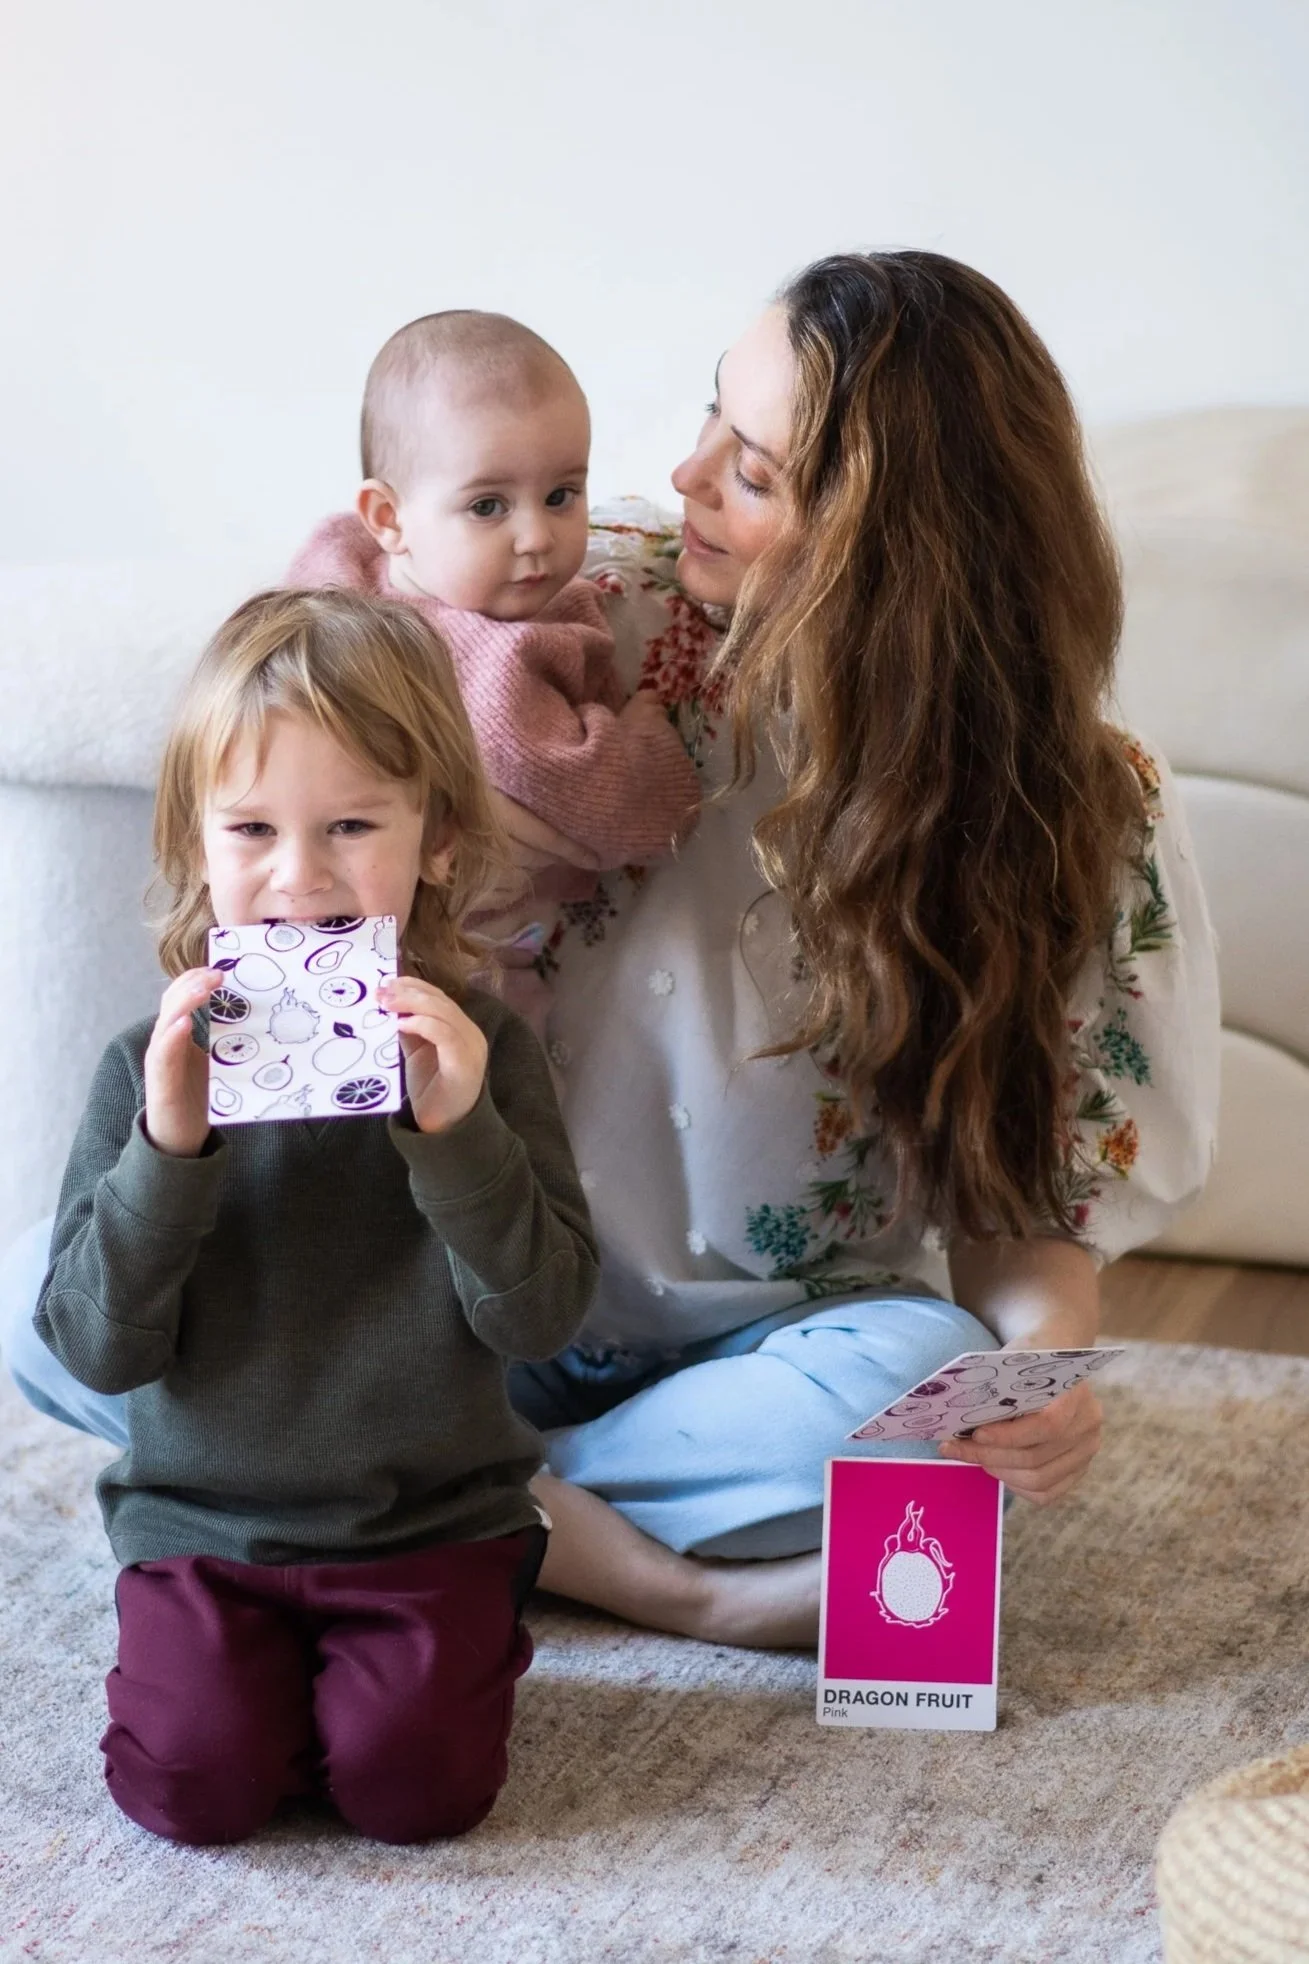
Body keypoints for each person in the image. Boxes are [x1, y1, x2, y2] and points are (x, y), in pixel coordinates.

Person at [2, 251, 1220, 1654]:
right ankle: (635, 1571)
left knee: (927, 1382)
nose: (686, 472)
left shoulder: (1064, 809)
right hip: (430, 1311)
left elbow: (1020, 1203)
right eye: (713, 414)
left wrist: (1040, 1365)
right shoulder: (556, 622)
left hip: (735, 1358)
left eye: (754, 472)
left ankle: (359, 1493)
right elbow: (310, 667)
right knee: (44, 1292)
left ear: (900, 545)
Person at [27, 586, 598, 1845]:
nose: (300, 877)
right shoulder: (144, 1063)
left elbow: (546, 1316)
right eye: (251, 829)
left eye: (350, 824)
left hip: (430, 1526)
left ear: (436, 838)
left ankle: (413, 1662)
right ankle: (265, 1685)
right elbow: (94, 1348)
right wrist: (169, 1149)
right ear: (196, 843)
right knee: (194, 1788)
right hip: (202, 1528)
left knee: (416, 1792)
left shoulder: (480, 1053)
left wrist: (457, 1136)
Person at [287, 309, 701, 1022]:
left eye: (561, 495)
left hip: (299, 934)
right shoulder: (501, 661)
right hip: (444, 968)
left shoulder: (334, 568)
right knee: (498, 1076)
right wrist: (643, 739)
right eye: (487, 506)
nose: (536, 537)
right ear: (388, 517)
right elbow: (626, 814)